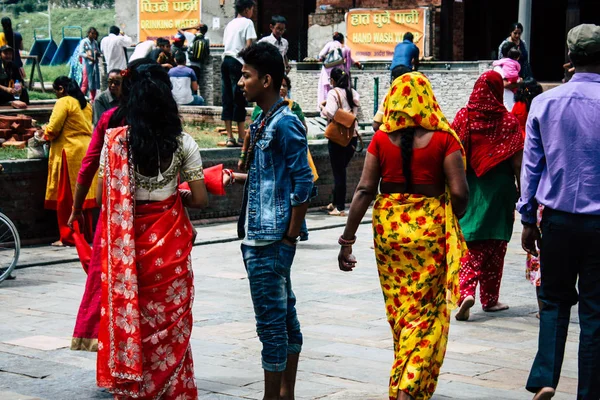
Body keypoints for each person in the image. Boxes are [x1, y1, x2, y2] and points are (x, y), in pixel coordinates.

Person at [337, 72, 468, 400]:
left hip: (389, 235)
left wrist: (347, 241)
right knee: (426, 314)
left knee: (402, 312)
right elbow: (460, 192)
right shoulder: (444, 139)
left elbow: (365, 189)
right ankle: (409, 387)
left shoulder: (381, 139)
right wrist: (449, 216)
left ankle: (404, 377)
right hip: (431, 234)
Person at [94, 62, 209, 399]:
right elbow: (200, 199)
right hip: (169, 252)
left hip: (130, 256)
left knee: (136, 325)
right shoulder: (182, 142)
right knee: (170, 332)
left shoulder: (115, 143)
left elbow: (105, 198)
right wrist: (178, 194)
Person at [223, 42, 313, 400]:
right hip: (263, 235)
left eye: (247, 76)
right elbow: (272, 176)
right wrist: (239, 178)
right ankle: (285, 394)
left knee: (271, 327)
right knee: (285, 319)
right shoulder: (263, 119)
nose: (241, 82)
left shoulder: (286, 122)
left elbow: (303, 182)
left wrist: (290, 238)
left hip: (271, 240)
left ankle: (272, 397)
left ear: (267, 79)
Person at [520, 24, 600, 400]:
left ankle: (546, 377)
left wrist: (525, 218)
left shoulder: (545, 103)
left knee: (553, 301)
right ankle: (589, 391)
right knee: (595, 312)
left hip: (557, 220)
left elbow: (531, 166)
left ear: (570, 58)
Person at [452, 71, 523, 321]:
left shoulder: (464, 116)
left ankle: (466, 292)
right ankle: (490, 299)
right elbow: (518, 164)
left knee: (470, 243)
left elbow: (453, 154)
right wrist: (523, 194)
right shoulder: (508, 121)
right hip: (501, 190)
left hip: (470, 188)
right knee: (496, 244)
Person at [43, 76, 96, 247]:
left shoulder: (64, 102)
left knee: (67, 197)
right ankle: (85, 233)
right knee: (83, 195)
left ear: (61, 89)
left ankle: (68, 236)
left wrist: (43, 132)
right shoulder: (85, 103)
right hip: (85, 150)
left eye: (55, 91)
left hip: (69, 151)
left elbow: (53, 128)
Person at [320, 67, 359, 216]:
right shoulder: (353, 93)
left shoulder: (333, 93)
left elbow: (330, 112)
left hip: (338, 137)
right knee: (341, 170)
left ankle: (340, 208)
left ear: (333, 80)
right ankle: (335, 203)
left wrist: (321, 107)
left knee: (339, 172)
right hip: (352, 137)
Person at [221, 0, 257, 147]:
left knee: (227, 98)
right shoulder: (248, 23)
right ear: (248, 10)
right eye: (252, 9)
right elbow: (249, 45)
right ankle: (242, 136)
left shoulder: (230, 24)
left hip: (226, 61)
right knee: (240, 98)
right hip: (238, 62)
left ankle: (230, 137)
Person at [317, 32, 361, 109]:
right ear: (342, 40)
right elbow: (348, 62)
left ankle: (326, 108)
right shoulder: (346, 48)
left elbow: (321, 55)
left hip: (327, 72)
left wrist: (327, 58)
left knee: (326, 91)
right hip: (339, 74)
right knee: (339, 91)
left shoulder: (330, 45)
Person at [372, 65, 412, 131]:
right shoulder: (418, 96)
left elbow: (376, 125)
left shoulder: (390, 96)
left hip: (393, 136)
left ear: (393, 79)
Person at [79, 27, 101, 102]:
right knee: (85, 82)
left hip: (94, 65)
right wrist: (88, 57)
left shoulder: (95, 42)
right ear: (88, 33)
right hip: (87, 65)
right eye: (92, 33)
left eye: (94, 34)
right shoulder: (84, 42)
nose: (93, 35)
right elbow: (81, 53)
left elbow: (98, 51)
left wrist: (97, 54)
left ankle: (92, 99)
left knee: (93, 82)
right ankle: (80, 98)